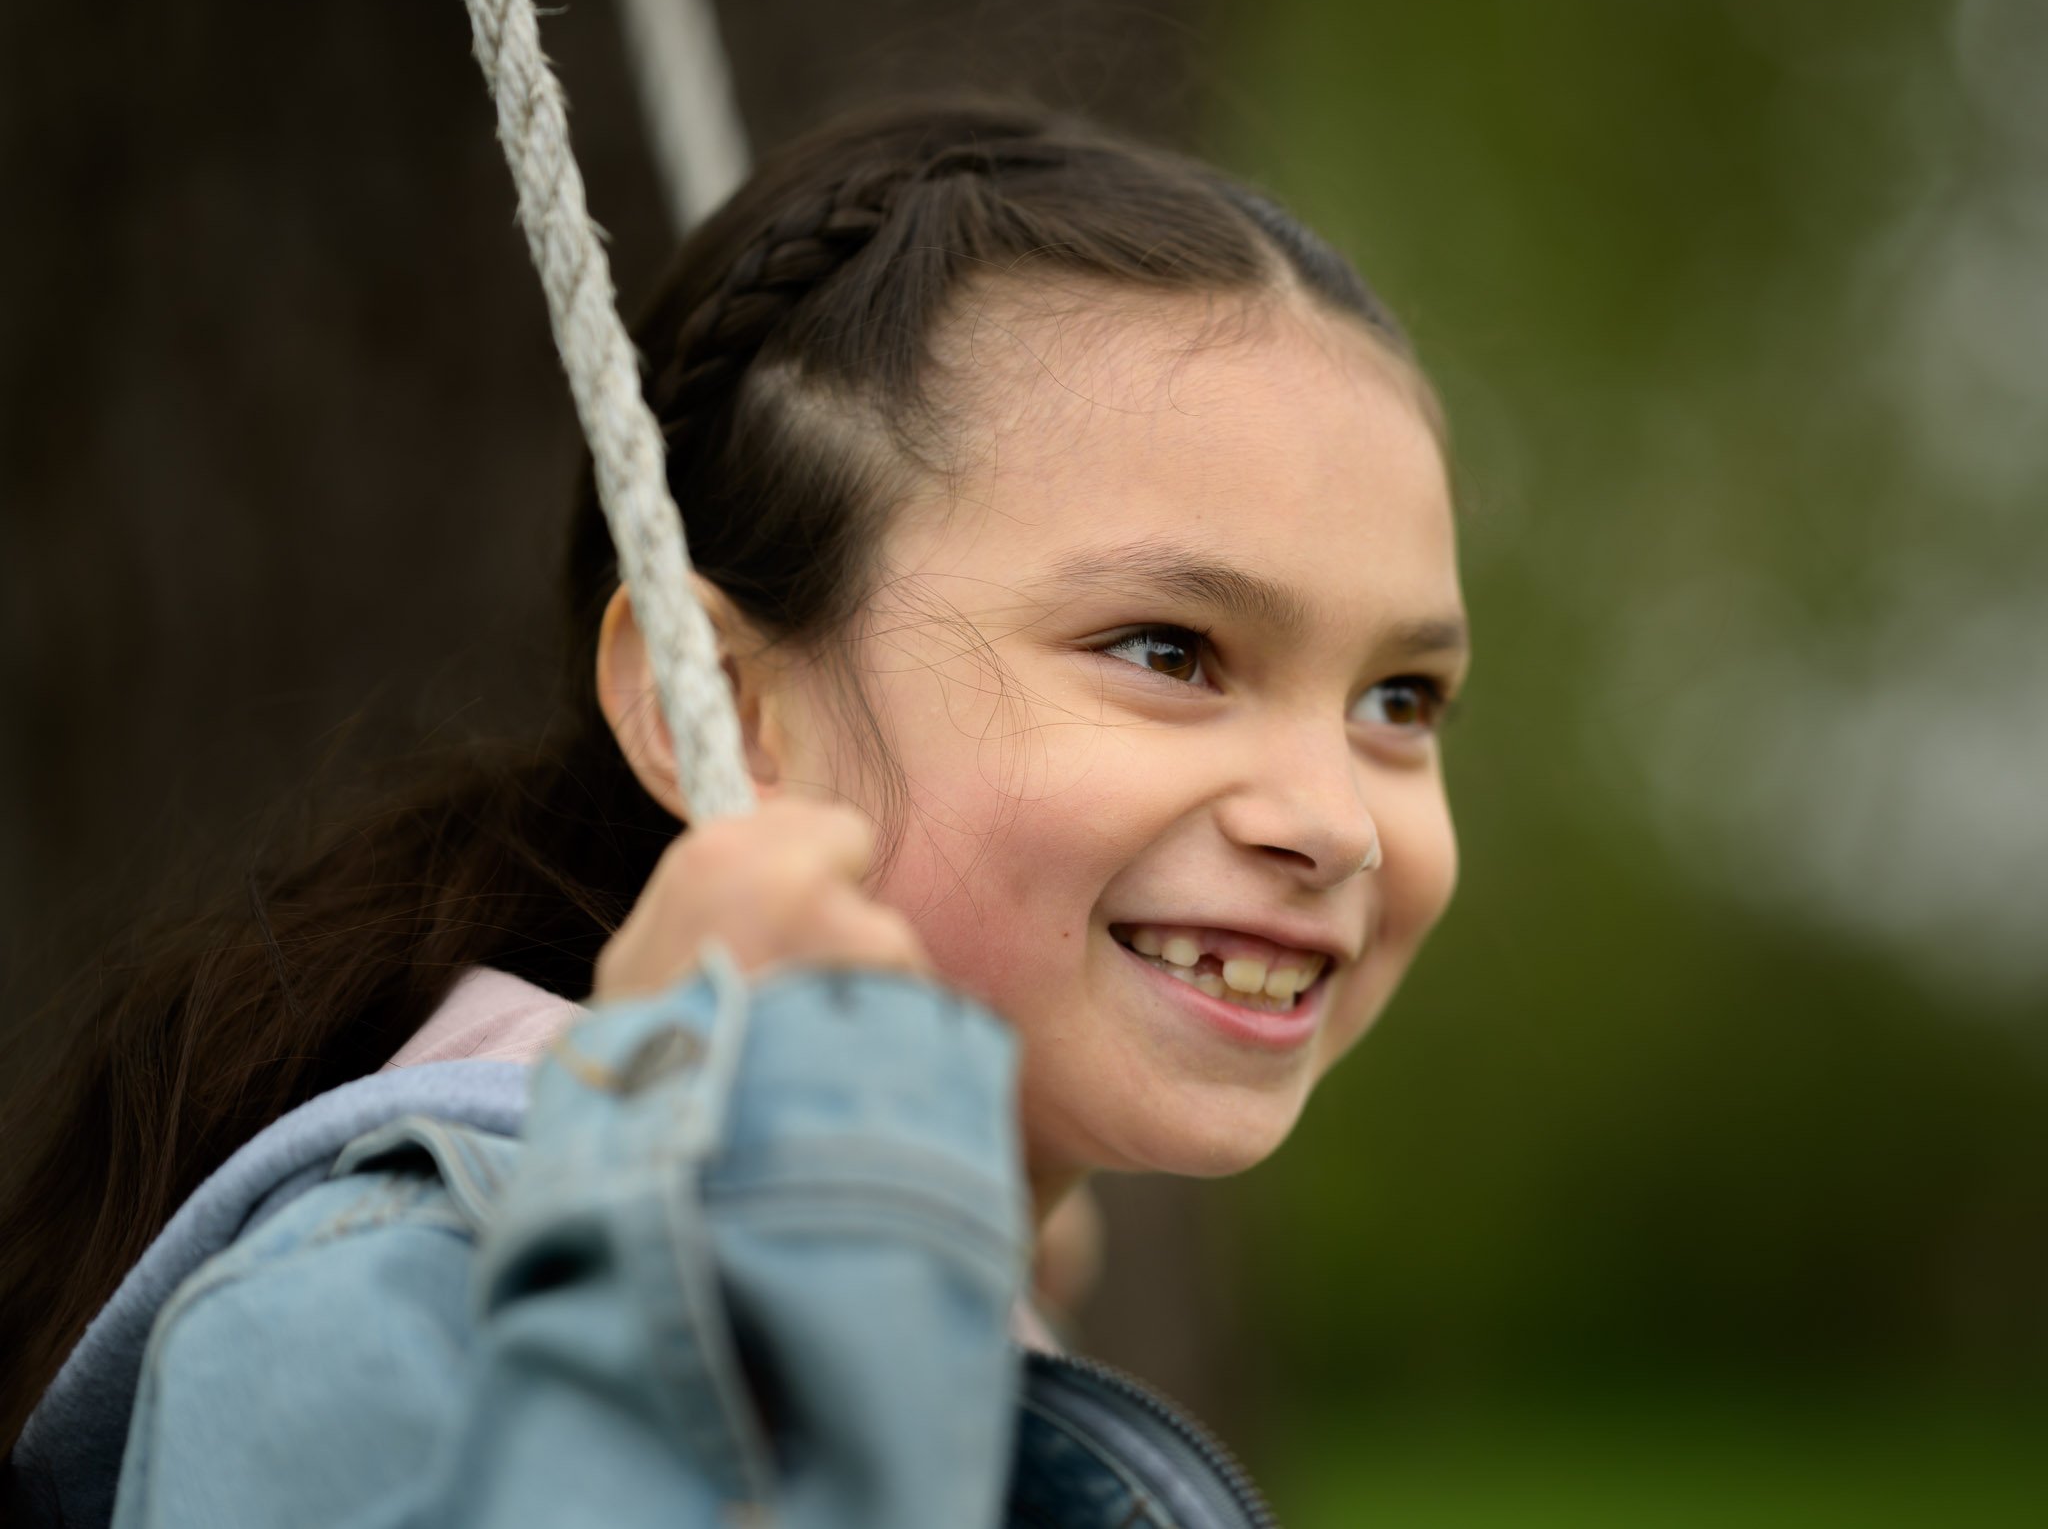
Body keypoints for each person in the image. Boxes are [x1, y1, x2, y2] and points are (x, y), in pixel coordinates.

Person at [0, 99, 1469, 1526]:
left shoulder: (930, 1270)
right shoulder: (394, 1299)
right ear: (727, 707)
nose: (1334, 819)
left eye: (1399, 700)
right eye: (1168, 651)